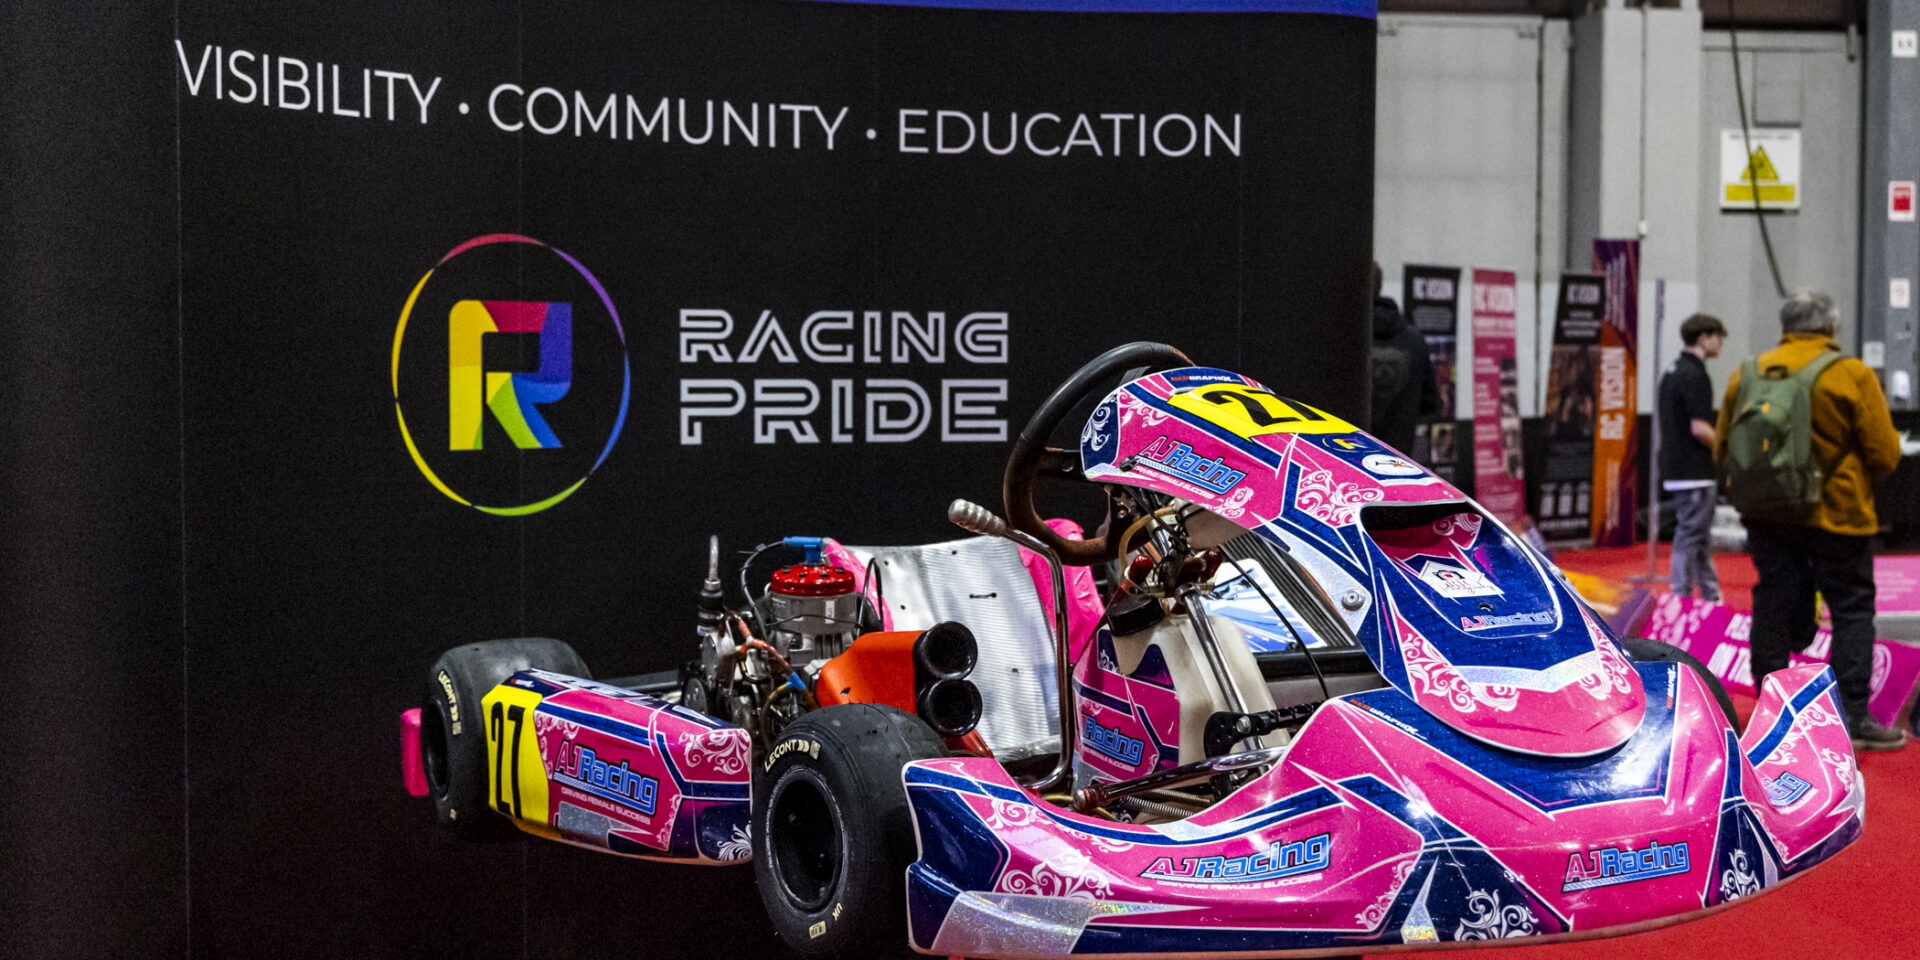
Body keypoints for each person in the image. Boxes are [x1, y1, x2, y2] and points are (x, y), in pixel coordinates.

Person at [1716, 291, 1904, 750]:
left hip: (1766, 512)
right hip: (1837, 515)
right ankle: (1853, 716)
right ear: (1832, 326)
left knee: (1774, 600)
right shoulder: (1849, 373)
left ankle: (1769, 704)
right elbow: (1885, 453)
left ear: (1786, 324)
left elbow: (1724, 447)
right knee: (1851, 608)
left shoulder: (1749, 371)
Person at [1659, 313, 1726, 602]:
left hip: (1676, 468)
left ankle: (1710, 595)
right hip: (1695, 471)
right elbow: (1700, 428)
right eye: (1717, 336)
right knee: (1690, 535)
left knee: (1697, 537)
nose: (1721, 342)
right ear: (1703, 338)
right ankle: (1681, 596)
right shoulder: (1697, 374)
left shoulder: (1672, 371)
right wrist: (1728, 448)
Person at [1369, 262, 1441, 454]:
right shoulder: (1415, 340)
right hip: (1400, 457)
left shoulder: (1347, 340)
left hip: (1351, 458)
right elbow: (1431, 405)